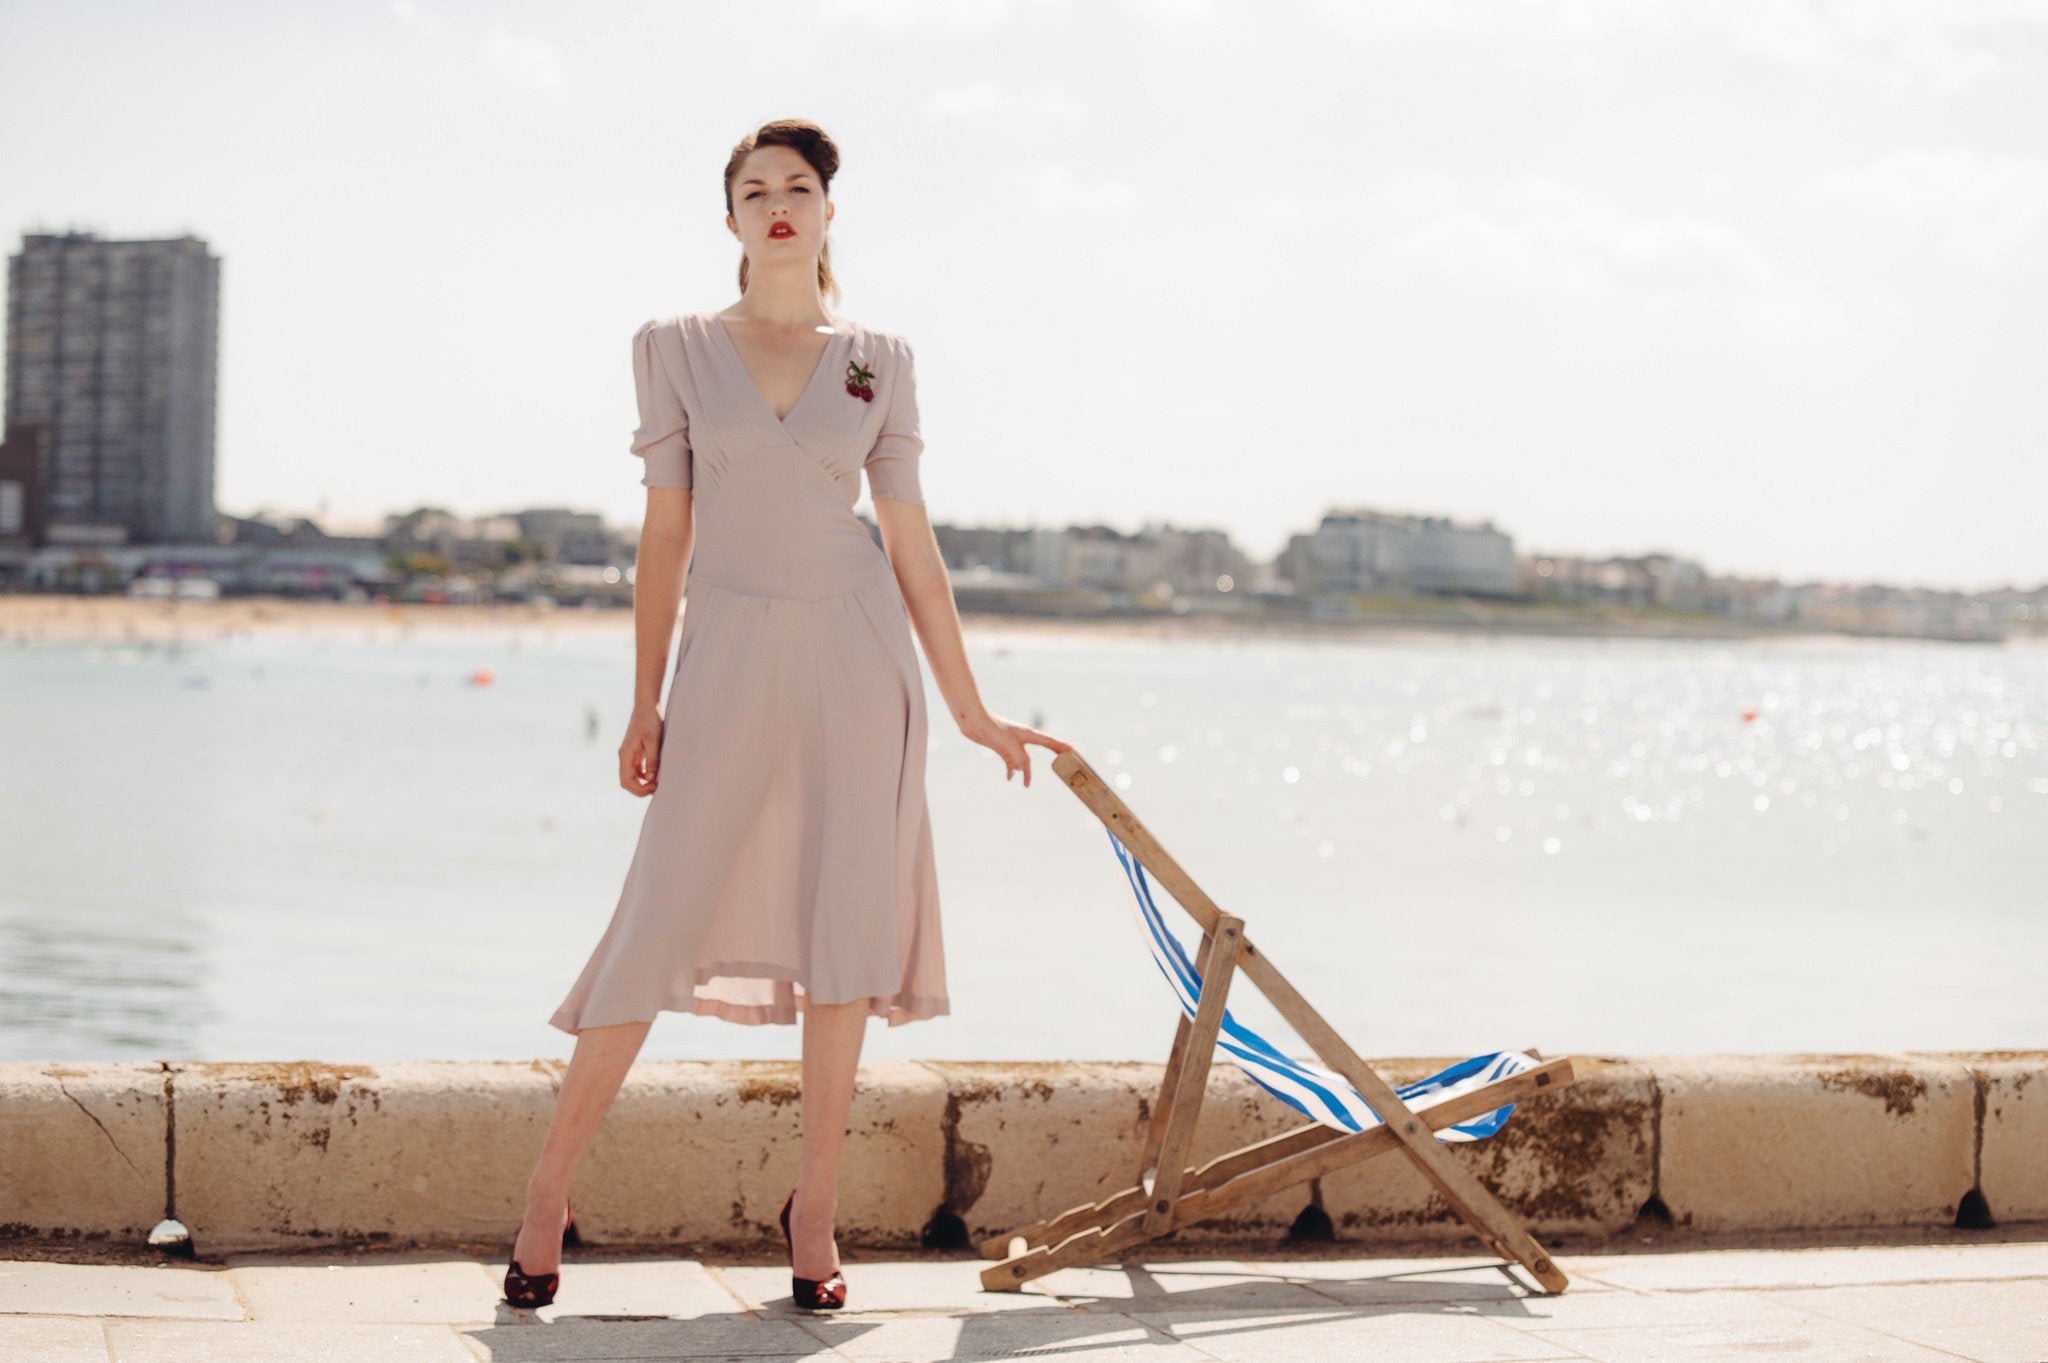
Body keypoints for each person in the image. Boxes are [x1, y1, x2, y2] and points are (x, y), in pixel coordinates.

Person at [502, 118, 1071, 1312]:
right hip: (726, 653)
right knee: (655, 918)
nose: (776, 204)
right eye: (753, 189)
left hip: (859, 655)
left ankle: (812, 1209)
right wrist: (644, 697)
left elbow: (910, 543)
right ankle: (546, 1193)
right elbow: (666, 532)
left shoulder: (878, 358)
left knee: (843, 939)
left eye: (797, 188)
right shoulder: (671, 347)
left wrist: (970, 709)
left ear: (825, 213)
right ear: (727, 218)